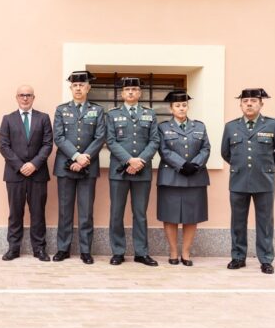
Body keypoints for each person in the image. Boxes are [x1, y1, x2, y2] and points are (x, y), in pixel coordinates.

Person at [221, 88, 275, 274]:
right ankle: (237, 257)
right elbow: (225, 153)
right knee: (238, 221)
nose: (249, 104)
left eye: (253, 101)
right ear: (240, 104)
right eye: (245, 101)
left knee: (265, 222)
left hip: (264, 180)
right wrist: (240, 166)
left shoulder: (273, 125)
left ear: (261, 104)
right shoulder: (231, 127)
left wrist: (267, 168)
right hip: (238, 180)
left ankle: (266, 259)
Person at [52, 71, 106, 265]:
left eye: (82, 85)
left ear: (88, 88)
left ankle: (85, 250)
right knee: (64, 211)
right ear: (71, 88)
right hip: (65, 166)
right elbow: (58, 137)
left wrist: (85, 158)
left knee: (86, 211)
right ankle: (62, 249)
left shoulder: (98, 111)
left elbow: (100, 137)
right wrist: (76, 156)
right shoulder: (61, 110)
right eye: (75, 85)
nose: (78, 88)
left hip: (88, 166)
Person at [106, 77, 160, 266]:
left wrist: (140, 161)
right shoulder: (112, 115)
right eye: (127, 89)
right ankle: (118, 251)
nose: (130, 92)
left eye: (134, 89)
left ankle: (141, 252)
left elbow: (155, 141)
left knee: (140, 213)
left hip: (142, 171)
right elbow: (110, 141)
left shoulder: (150, 114)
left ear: (140, 93)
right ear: (122, 94)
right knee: (116, 212)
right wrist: (129, 160)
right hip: (119, 171)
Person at [156, 90, 211, 266]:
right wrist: (181, 165)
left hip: (195, 177)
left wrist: (195, 164)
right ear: (171, 109)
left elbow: (206, 148)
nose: (181, 108)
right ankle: (173, 251)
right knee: (170, 216)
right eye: (177, 106)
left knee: (191, 216)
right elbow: (163, 150)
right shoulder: (163, 127)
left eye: (184, 105)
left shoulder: (199, 126)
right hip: (171, 177)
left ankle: (186, 253)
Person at [0, 85, 53, 262]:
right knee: (15, 213)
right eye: (22, 95)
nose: (25, 98)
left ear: (33, 98)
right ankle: (13, 248)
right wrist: (20, 165)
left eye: (28, 95)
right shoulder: (8, 119)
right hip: (15, 175)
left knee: (38, 212)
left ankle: (39, 249)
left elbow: (47, 144)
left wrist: (34, 164)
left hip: (37, 174)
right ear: (16, 97)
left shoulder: (43, 118)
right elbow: (4, 146)